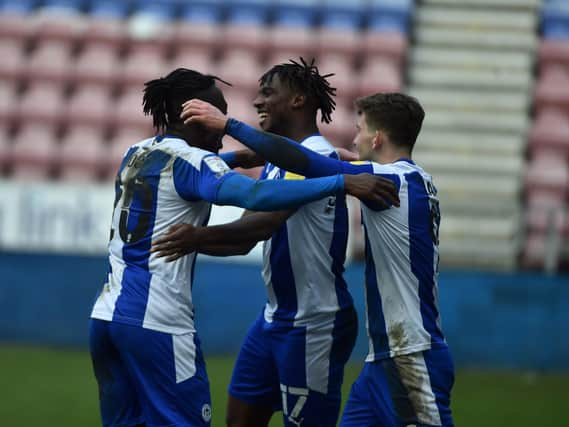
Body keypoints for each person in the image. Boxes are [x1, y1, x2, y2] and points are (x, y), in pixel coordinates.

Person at [88, 67, 399, 427]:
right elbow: (249, 198)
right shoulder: (205, 161)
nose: (252, 102)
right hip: (160, 321)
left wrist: (202, 230)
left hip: (108, 315)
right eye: (217, 112)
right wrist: (341, 182)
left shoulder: (137, 153)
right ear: (195, 116)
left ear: (297, 100)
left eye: (267, 93)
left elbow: (253, 226)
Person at [167, 92, 455, 427]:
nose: (354, 137)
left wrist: (229, 125)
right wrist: (247, 156)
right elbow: (333, 158)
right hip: (382, 358)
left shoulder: (391, 181)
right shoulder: (416, 179)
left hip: (413, 355)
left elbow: (307, 162)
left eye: (360, 129)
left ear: (377, 138)